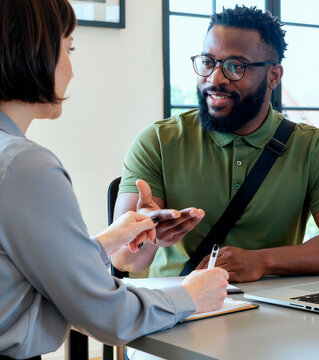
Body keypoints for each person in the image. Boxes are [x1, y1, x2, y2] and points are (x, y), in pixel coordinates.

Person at [0, 1, 229, 359]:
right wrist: (190, 296)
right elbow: (105, 315)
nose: (72, 70)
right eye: (68, 49)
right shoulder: (26, 166)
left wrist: (108, 240)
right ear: (35, 52)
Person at [112, 6, 319, 283]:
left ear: (274, 76)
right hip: (177, 306)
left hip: (275, 308)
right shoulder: (157, 141)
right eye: (207, 62)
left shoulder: (315, 148)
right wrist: (150, 235)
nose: (215, 79)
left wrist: (263, 261)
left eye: (235, 66)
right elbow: (122, 259)